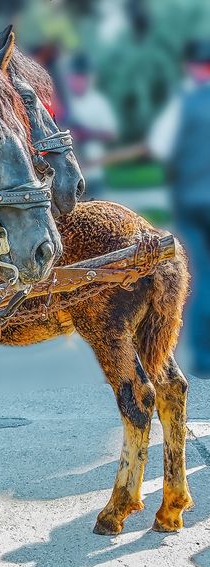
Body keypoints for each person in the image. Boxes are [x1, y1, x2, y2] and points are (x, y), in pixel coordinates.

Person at [148, 39, 210, 377]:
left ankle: (204, 357)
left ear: (191, 67)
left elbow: (159, 146)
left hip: (191, 199)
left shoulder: (182, 104)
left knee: (200, 274)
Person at [65, 53, 119, 198]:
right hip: (68, 178)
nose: (79, 81)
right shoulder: (63, 103)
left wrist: (85, 134)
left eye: (83, 78)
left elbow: (111, 134)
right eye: (76, 78)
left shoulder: (98, 102)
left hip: (94, 174)